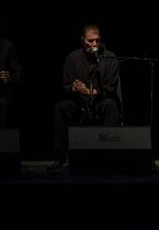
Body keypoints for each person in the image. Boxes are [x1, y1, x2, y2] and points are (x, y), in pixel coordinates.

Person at [52, 24, 121, 166]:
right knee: (61, 107)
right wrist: (75, 87)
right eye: (90, 41)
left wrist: (90, 92)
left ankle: (110, 154)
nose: (94, 44)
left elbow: (110, 88)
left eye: (97, 40)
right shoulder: (72, 58)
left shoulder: (110, 57)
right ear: (83, 40)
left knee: (110, 105)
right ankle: (61, 156)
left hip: (100, 102)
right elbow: (66, 85)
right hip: (79, 102)